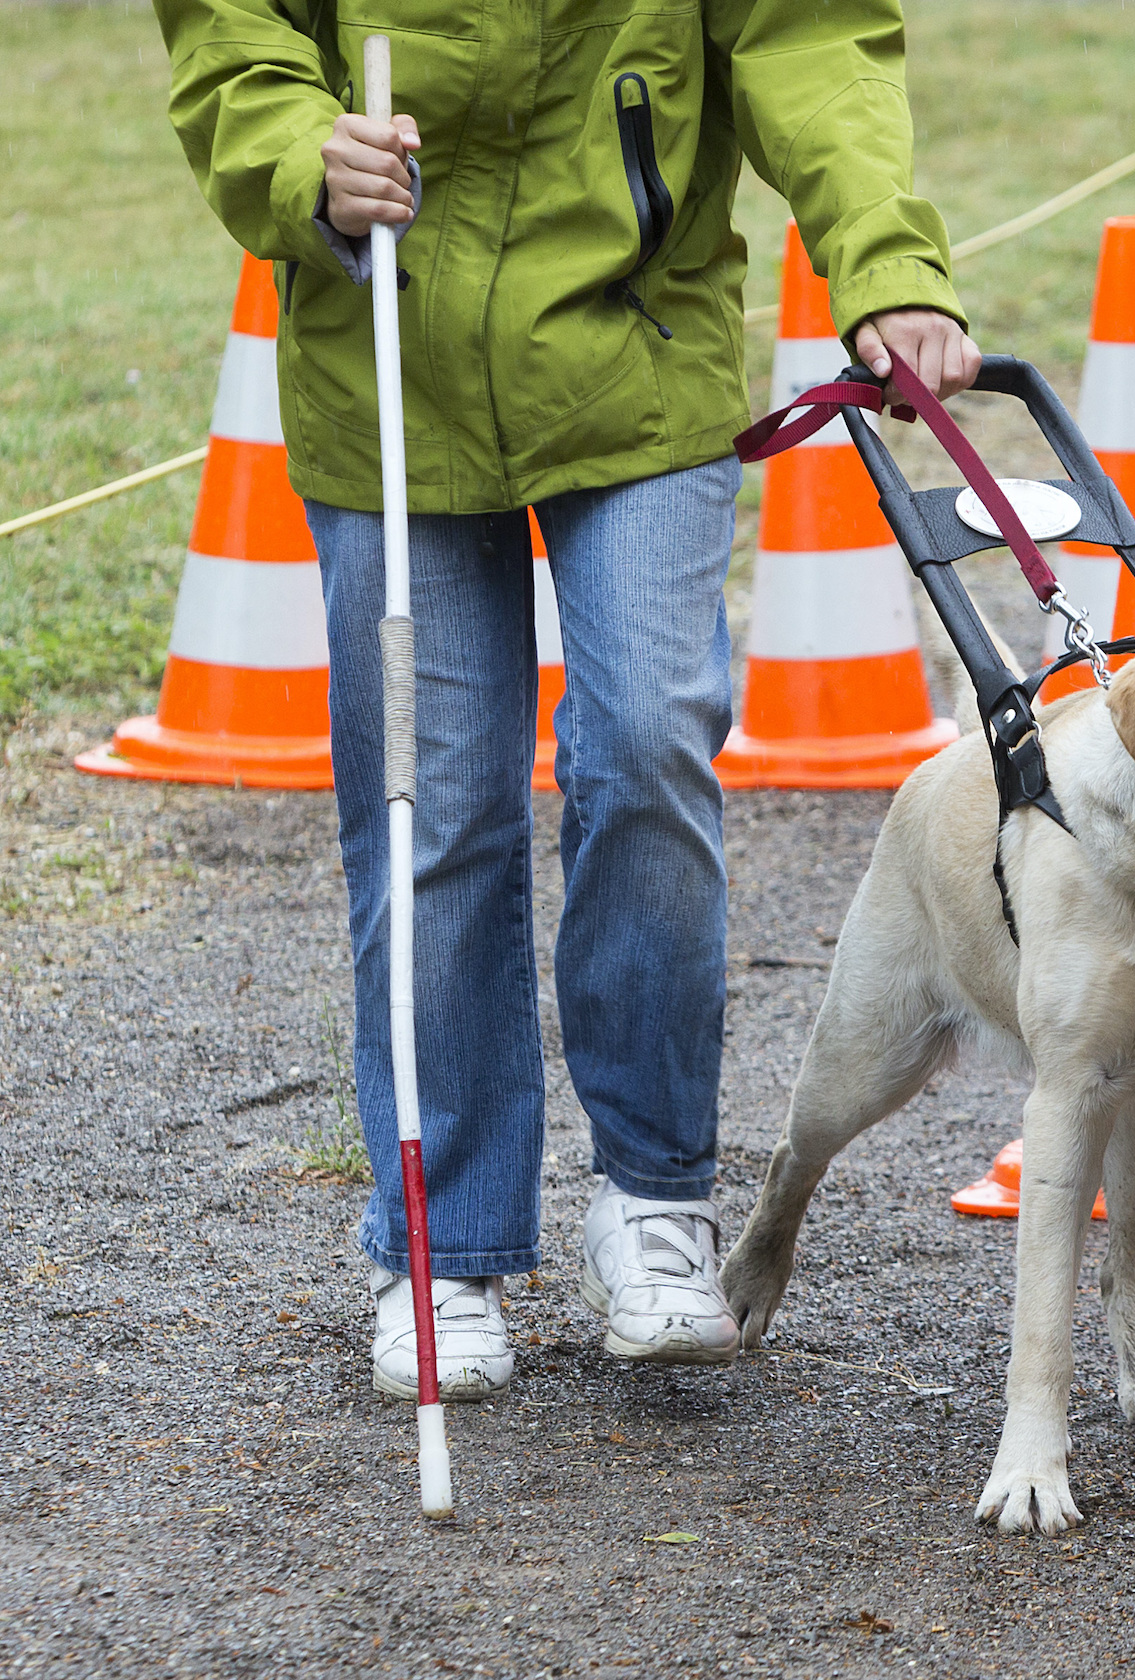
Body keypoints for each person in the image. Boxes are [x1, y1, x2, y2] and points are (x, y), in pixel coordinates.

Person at [153, 0, 979, 1399]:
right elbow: (233, 37)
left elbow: (810, 37)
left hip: (638, 358)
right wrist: (305, 161)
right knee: (435, 802)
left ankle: (654, 1201)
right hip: (387, 369)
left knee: (650, 739)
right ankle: (442, 1249)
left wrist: (888, 262)